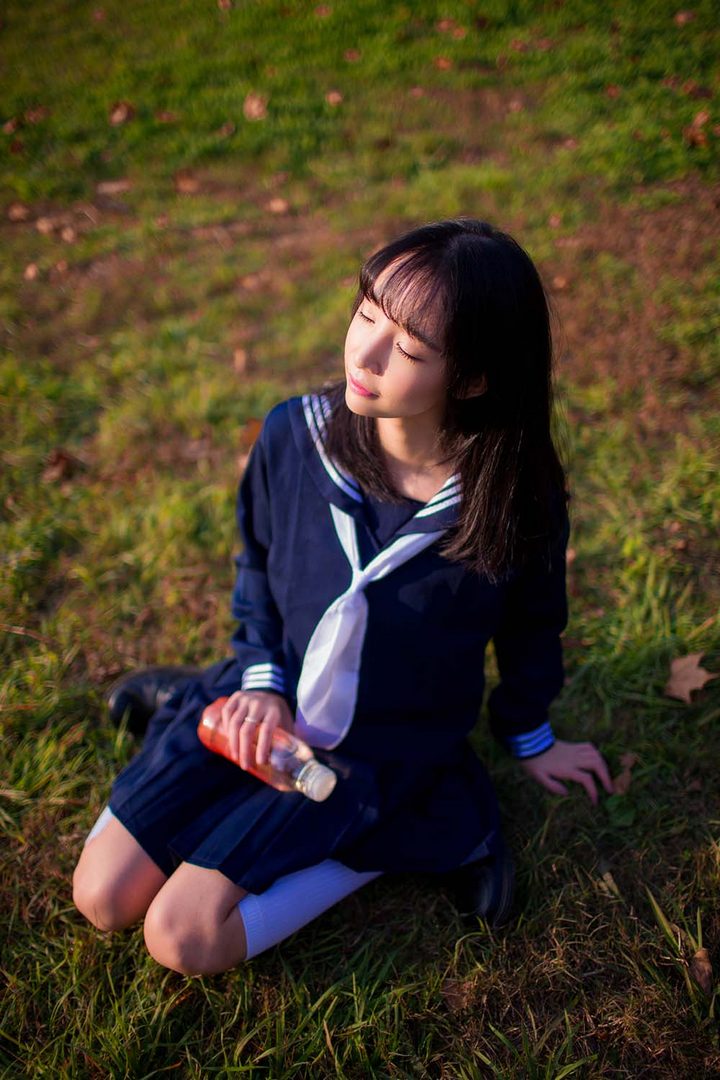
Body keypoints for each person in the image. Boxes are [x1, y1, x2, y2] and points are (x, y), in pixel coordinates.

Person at [72, 218, 612, 975]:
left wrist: (531, 736)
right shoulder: (294, 435)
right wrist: (261, 684)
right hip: (269, 702)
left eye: (410, 349)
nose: (365, 353)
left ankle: (409, 833)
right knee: (101, 896)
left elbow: (531, 629)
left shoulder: (513, 504)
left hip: (379, 750)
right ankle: (198, 703)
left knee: (183, 937)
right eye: (366, 314)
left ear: (473, 379)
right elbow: (256, 566)